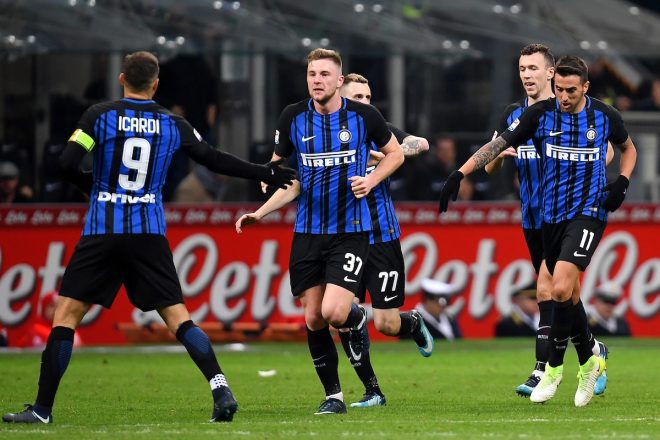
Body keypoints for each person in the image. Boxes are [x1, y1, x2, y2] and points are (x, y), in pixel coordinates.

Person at [2, 51, 295, 425]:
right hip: (148, 233)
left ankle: (42, 409)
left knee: (66, 316)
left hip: (104, 230)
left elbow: (64, 163)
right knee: (178, 318)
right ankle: (221, 389)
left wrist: (91, 185)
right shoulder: (173, 124)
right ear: (155, 84)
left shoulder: (99, 116)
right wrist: (265, 172)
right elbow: (213, 158)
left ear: (122, 79)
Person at [439, 54, 637, 407]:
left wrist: (621, 182)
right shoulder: (539, 114)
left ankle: (549, 370)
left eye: (571, 90)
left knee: (556, 287)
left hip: (589, 212)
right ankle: (591, 357)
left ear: (586, 87)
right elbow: (499, 144)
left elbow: (627, 149)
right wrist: (460, 172)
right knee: (567, 293)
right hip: (549, 217)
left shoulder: (604, 116)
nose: (564, 96)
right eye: (559, 89)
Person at [236, 72, 434, 410]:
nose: (365, 103)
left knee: (387, 323)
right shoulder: (322, 130)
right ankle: (369, 390)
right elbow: (296, 178)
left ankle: (412, 321)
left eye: (368, 97)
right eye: (358, 97)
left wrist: (381, 156)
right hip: (342, 236)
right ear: (341, 95)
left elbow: (421, 144)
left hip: (381, 235)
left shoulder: (374, 126)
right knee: (337, 313)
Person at [484, 44, 612, 399]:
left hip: (568, 214)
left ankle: (542, 371)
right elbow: (491, 164)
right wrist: (501, 154)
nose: (526, 75)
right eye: (521, 68)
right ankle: (592, 352)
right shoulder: (514, 115)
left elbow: (606, 150)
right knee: (566, 294)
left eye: (533, 68)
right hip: (533, 217)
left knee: (548, 289)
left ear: (550, 73)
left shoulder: (567, 112)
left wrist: (587, 176)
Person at [14, 292, 83, 349]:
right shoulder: (35, 329)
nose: (56, 309)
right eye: (52, 306)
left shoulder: (69, 329)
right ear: (44, 308)